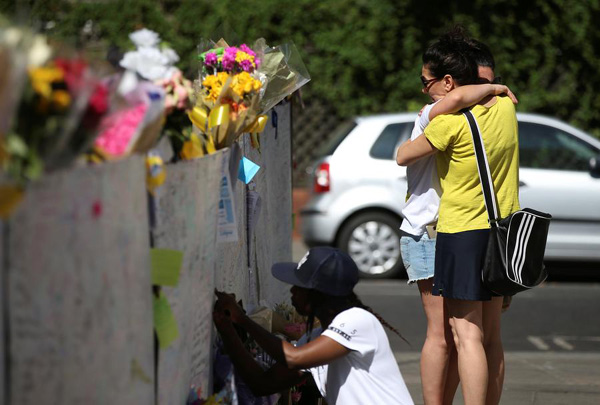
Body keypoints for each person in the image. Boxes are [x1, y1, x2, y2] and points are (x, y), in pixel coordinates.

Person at [396, 28, 520, 405]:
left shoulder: (444, 120)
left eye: (427, 81)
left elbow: (402, 155)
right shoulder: (505, 107)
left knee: (454, 335)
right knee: (485, 336)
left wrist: (486, 90)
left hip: (450, 230)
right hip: (498, 233)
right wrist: (497, 90)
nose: (424, 89)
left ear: (449, 82)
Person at [213, 246, 414, 405]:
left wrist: (242, 319)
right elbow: (263, 384)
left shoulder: (358, 321)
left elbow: (293, 358)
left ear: (319, 294)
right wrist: (227, 329)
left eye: (299, 287)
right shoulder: (316, 338)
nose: (292, 292)